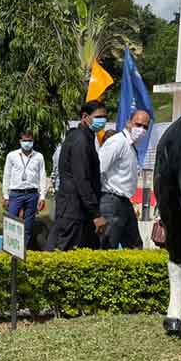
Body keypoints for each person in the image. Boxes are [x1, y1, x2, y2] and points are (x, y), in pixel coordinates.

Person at [47, 101, 109, 251]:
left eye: (105, 117)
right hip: (72, 209)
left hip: (78, 209)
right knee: (62, 252)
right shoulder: (80, 140)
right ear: (85, 117)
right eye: (99, 116)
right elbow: (82, 179)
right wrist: (96, 214)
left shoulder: (86, 138)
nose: (103, 121)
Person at [98, 109, 151, 250]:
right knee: (107, 246)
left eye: (145, 127)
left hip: (124, 202)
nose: (141, 130)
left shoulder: (131, 146)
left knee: (135, 247)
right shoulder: (117, 142)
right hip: (111, 201)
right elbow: (99, 169)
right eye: (138, 125)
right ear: (128, 123)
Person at [2, 130, 48, 248]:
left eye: (29, 140)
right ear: (20, 141)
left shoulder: (39, 157)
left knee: (28, 226)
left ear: (33, 141)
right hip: (16, 194)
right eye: (24, 140)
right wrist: (6, 196)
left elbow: (42, 177)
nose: (27, 143)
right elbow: (6, 176)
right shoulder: (12, 156)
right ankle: (9, 250)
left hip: (32, 194)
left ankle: (23, 250)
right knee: (11, 223)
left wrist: (42, 197)